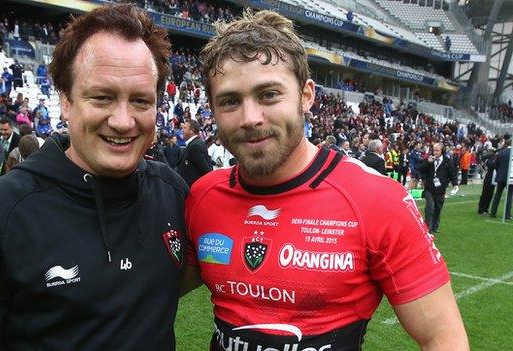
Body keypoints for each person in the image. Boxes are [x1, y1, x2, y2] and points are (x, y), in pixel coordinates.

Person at [182, 10, 468, 351]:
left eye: (269, 95)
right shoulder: (203, 196)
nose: (250, 118)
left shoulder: (376, 199)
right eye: (230, 101)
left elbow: (443, 338)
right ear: (212, 109)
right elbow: (144, 289)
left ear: (306, 96)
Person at [0, 5, 188, 350]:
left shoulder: (172, 193)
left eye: (141, 101)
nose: (123, 121)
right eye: (102, 97)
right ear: (66, 100)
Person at [421, 143, 459, 233]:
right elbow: (421, 169)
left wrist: (455, 184)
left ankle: (435, 226)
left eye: (437, 150)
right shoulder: (429, 159)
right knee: (430, 206)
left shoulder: (447, 161)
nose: (435, 152)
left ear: (442, 151)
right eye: (434, 150)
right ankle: (427, 228)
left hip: (440, 189)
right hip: (429, 188)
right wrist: (427, 163)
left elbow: (452, 174)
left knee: (438, 208)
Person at [177, 119, 213, 186]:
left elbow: (206, 170)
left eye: (184, 128)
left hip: (193, 189)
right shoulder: (194, 143)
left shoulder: (195, 146)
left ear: (192, 130)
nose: (182, 130)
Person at [490, 135, 512, 219]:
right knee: (509, 196)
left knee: (497, 195)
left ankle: (493, 212)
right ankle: (507, 214)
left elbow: (495, 165)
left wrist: (500, 171)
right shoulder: (511, 152)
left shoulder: (501, 152)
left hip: (500, 176)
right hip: (510, 177)